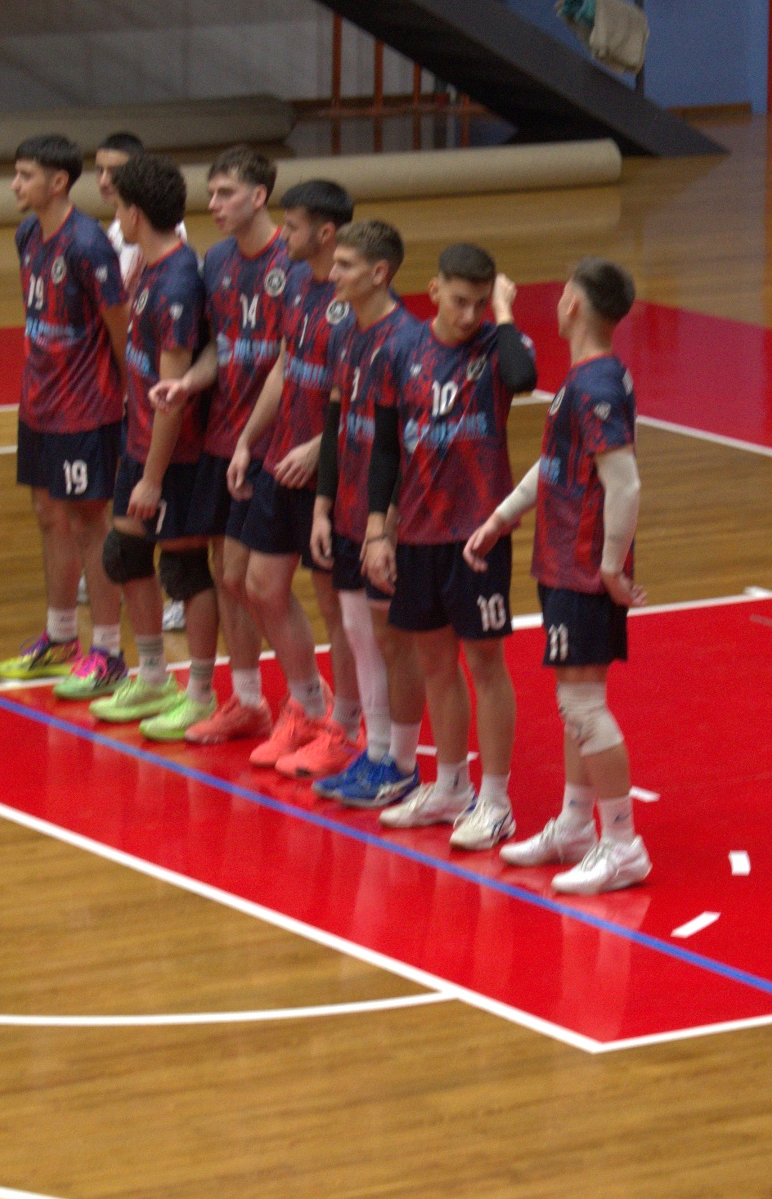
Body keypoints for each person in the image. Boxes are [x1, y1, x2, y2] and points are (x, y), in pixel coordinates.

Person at [467, 258, 649, 894]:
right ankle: (575, 825)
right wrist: (501, 518)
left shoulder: (595, 385)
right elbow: (555, 466)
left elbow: (624, 483)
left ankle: (622, 845)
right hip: (562, 560)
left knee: (583, 705)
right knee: (576, 702)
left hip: (582, 567)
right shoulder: (587, 378)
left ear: (573, 303)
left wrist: (610, 567)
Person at [362, 244, 537, 851]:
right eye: (458, 301)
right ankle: (452, 786)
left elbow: (525, 378)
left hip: (477, 534)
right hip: (417, 531)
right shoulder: (399, 351)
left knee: (485, 663)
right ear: (433, 291)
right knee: (436, 662)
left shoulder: (497, 348)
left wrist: (504, 314)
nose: (468, 315)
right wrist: (378, 530)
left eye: (479, 304)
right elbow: (386, 449)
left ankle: (496, 802)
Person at [142, 147, 300, 744]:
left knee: (254, 579)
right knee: (226, 575)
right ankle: (249, 700)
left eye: (225, 193)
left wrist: (254, 438)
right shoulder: (217, 262)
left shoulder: (292, 265)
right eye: (209, 193)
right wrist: (188, 382)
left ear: (259, 196)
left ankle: (309, 702)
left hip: (270, 444)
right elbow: (221, 345)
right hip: (221, 437)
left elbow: (290, 361)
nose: (212, 204)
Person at [222, 179, 367, 777]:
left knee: (338, 608)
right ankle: (307, 705)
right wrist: (247, 439)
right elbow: (286, 364)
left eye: (294, 225)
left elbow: (364, 397)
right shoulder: (298, 284)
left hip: (331, 472)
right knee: (260, 584)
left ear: (326, 232)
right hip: (282, 458)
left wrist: (319, 448)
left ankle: (347, 727)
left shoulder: (357, 300)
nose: (284, 234)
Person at [0, 136, 134, 699]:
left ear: (56, 183)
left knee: (89, 522)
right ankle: (60, 637)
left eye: (24, 175)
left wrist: (129, 396)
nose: (14, 185)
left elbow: (119, 326)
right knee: (48, 514)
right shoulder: (28, 235)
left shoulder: (89, 245)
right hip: (39, 403)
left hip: (85, 407)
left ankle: (109, 651)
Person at [81, 154, 214, 728]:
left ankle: (201, 691)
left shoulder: (177, 281)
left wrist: (153, 478)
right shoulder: (150, 270)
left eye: (118, 208)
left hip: (175, 457)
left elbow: (173, 393)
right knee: (124, 554)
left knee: (185, 570)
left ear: (134, 213)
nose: (115, 218)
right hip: (137, 441)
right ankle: (155, 677)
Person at [308, 221, 429, 809]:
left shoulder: (406, 342)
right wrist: (322, 506)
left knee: (392, 639)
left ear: (380, 273)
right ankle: (375, 751)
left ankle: (400, 763)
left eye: (346, 265)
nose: (333, 274)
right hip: (350, 508)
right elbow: (335, 423)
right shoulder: (345, 333)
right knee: (358, 632)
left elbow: (404, 445)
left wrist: (389, 523)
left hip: (386, 520)